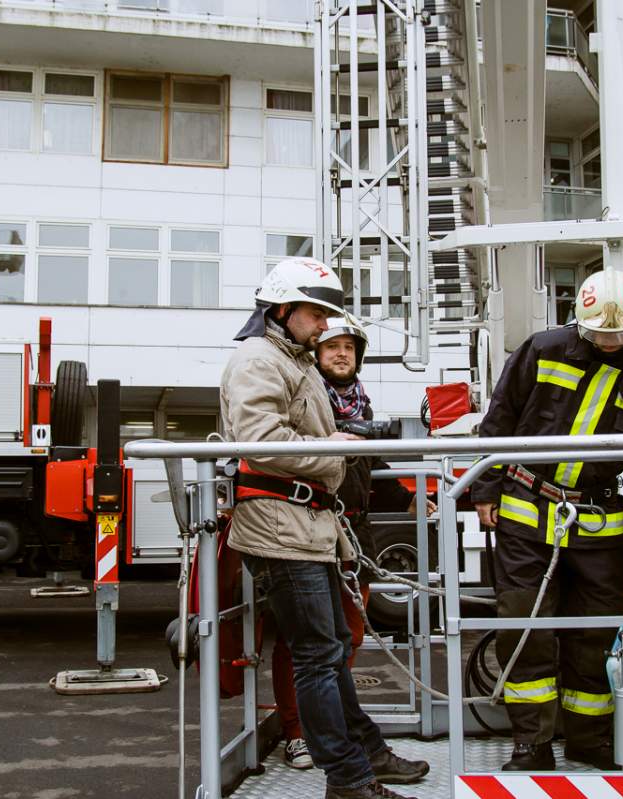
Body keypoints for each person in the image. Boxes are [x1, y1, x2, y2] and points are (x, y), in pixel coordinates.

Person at [220, 258, 429, 799]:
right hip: (280, 527)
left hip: (303, 523)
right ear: (282, 309)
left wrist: (337, 443)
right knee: (317, 655)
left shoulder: (292, 361)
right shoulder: (258, 359)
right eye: (316, 314)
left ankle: (365, 754)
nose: (324, 325)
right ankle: (349, 778)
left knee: (330, 647)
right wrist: (335, 448)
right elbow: (260, 441)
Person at [471, 269, 623, 771]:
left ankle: (589, 738)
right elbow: (499, 420)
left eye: (620, 334)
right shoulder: (543, 350)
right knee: (525, 630)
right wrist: (485, 487)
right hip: (526, 511)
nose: (609, 342)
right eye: (600, 333)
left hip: (599, 524)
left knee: (595, 637)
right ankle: (532, 743)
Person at [273, 315, 436, 770]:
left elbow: (369, 464)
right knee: (303, 640)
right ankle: (297, 733)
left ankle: (335, 728)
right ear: (316, 354)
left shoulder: (358, 406)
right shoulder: (304, 399)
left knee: (347, 636)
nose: (341, 354)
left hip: (353, 536)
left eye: (349, 347)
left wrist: (406, 498)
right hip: (307, 528)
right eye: (331, 347)